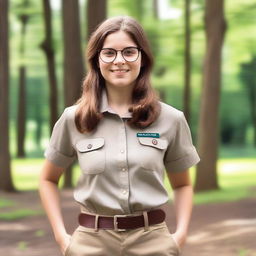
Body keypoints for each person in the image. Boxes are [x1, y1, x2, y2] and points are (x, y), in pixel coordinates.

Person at [39, 16, 200, 256]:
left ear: (142, 57)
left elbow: (183, 184)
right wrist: (62, 238)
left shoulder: (171, 119)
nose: (119, 61)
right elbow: (47, 179)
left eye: (129, 52)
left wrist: (181, 236)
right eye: (109, 53)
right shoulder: (74, 118)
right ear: (97, 59)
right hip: (90, 245)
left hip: (153, 243)